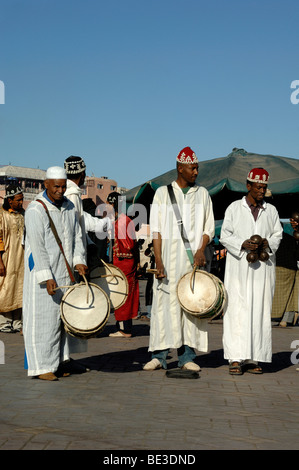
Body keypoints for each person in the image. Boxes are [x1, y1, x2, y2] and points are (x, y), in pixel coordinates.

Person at [143, 146, 215, 371]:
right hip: (168, 263)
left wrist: (201, 249)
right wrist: (159, 261)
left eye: (197, 168)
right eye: (192, 168)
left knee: (190, 308)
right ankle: (159, 356)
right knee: (164, 307)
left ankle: (187, 357)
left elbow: (208, 228)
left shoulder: (202, 194)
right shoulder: (162, 193)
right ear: (180, 168)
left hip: (192, 264)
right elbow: (156, 231)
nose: (196, 172)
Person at [22, 166, 88, 381]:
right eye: (56, 187)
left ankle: (59, 361)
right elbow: (36, 247)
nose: (60, 191)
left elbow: (77, 236)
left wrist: (79, 261)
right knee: (44, 320)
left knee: (62, 321)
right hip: (44, 275)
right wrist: (46, 276)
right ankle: (41, 367)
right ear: (46, 184)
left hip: (66, 272)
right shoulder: (35, 210)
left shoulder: (69, 207)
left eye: (63, 186)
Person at [220, 168, 283, 375]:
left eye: (264, 187)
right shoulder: (234, 208)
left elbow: (278, 234)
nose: (261, 190)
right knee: (236, 310)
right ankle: (235, 358)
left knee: (259, 310)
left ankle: (253, 357)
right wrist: (242, 243)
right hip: (239, 269)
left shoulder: (271, 210)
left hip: (262, 270)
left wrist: (267, 243)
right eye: (258, 187)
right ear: (248, 186)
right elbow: (224, 235)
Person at [64, 155, 111, 269]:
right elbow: (79, 224)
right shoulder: (72, 196)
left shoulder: (68, 193)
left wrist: (90, 243)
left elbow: (82, 219)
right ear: (82, 174)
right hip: (71, 255)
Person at [107, 192, 140, 338]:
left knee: (121, 293)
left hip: (123, 262)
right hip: (127, 261)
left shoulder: (121, 221)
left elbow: (128, 244)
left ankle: (124, 329)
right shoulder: (126, 220)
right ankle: (125, 327)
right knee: (127, 293)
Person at [0, 184, 24, 333]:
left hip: (21, 257)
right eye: (18, 200)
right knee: (6, 287)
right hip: (7, 257)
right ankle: (4, 322)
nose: (21, 202)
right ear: (10, 200)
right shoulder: (1, 215)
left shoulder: (23, 214)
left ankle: (17, 322)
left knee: (20, 288)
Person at [271, 226, 299, 327]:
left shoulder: (272, 239)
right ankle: (286, 319)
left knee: (276, 294)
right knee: (290, 295)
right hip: (291, 268)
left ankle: (274, 316)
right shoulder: (291, 238)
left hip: (277, 267)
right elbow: (297, 255)